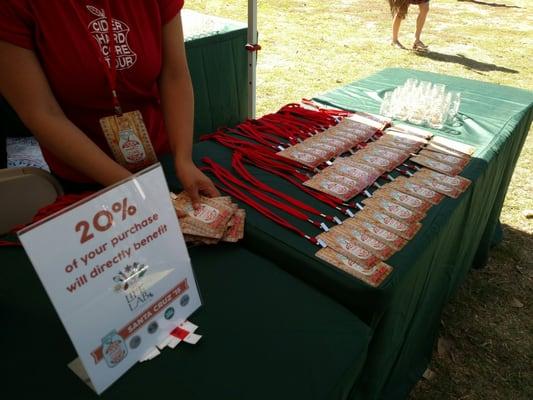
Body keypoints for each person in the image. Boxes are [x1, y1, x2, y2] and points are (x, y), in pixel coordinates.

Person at [0, 0, 218, 207]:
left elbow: (174, 75)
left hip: (161, 158)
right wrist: (131, 185)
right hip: (84, 174)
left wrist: (183, 158)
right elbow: (41, 112)